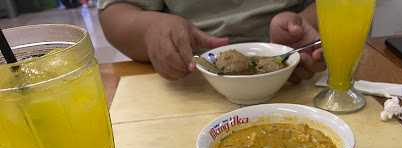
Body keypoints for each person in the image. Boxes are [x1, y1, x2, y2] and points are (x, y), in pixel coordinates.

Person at [97, 0, 325, 82]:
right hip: (190, 75)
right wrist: (150, 29)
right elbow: (114, 12)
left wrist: (303, 24)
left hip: (297, 71)